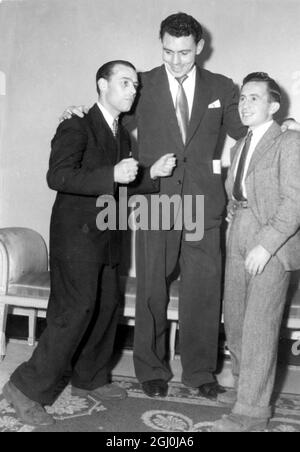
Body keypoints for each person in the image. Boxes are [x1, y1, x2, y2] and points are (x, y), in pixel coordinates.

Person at [58, 13, 299, 400]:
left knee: (204, 289)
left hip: (205, 205)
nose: (175, 60)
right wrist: (79, 115)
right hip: (156, 200)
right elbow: (111, 116)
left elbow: (249, 128)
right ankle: (151, 369)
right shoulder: (145, 84)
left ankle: (200, 370)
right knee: (152, 286)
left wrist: (285, 123)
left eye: (184, 53)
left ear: (199, 48)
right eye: (168, 51)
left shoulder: (222, 87)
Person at [2, 60, 176, 427]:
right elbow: (58, 175)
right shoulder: (76, 123)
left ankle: (90, 378)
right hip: (77, 238)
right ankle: (24, 388)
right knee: (74, 314)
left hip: (108, 235)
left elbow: (121, 180)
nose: (133, 90)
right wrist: (111, 174)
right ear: (102, 85)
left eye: (135, 85)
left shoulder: (121, 133)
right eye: (125, 82)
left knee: (106, 308)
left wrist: (151, 175)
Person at [212, 72, 300, 432]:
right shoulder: (239, 145)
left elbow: (295, 202)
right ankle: (243, 389)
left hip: (272, 245)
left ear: (274, 106)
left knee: (260, 327)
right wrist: (234, 218)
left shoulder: (289, 142)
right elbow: (240, 195)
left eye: (254, 98)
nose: (245, 104)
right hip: (239, 235)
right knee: (234, 321)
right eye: (242, 98)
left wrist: (265, 245)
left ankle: (251, 414)